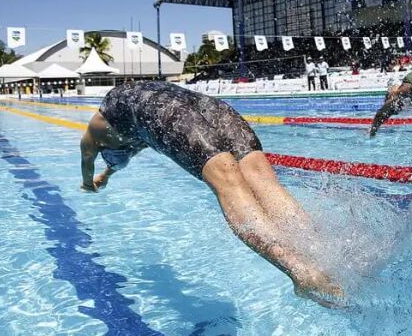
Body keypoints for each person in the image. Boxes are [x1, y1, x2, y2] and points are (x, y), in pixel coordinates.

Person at [80, 81, 343, 306]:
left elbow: (87, 161)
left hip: (169, 113)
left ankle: (302, 272)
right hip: (210, 106)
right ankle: (326, 256)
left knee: (229, 184)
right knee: (264, 181)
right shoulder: (130, 122)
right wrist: (107, 175)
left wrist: (88, 182)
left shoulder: (94, 136)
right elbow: (130, 148)